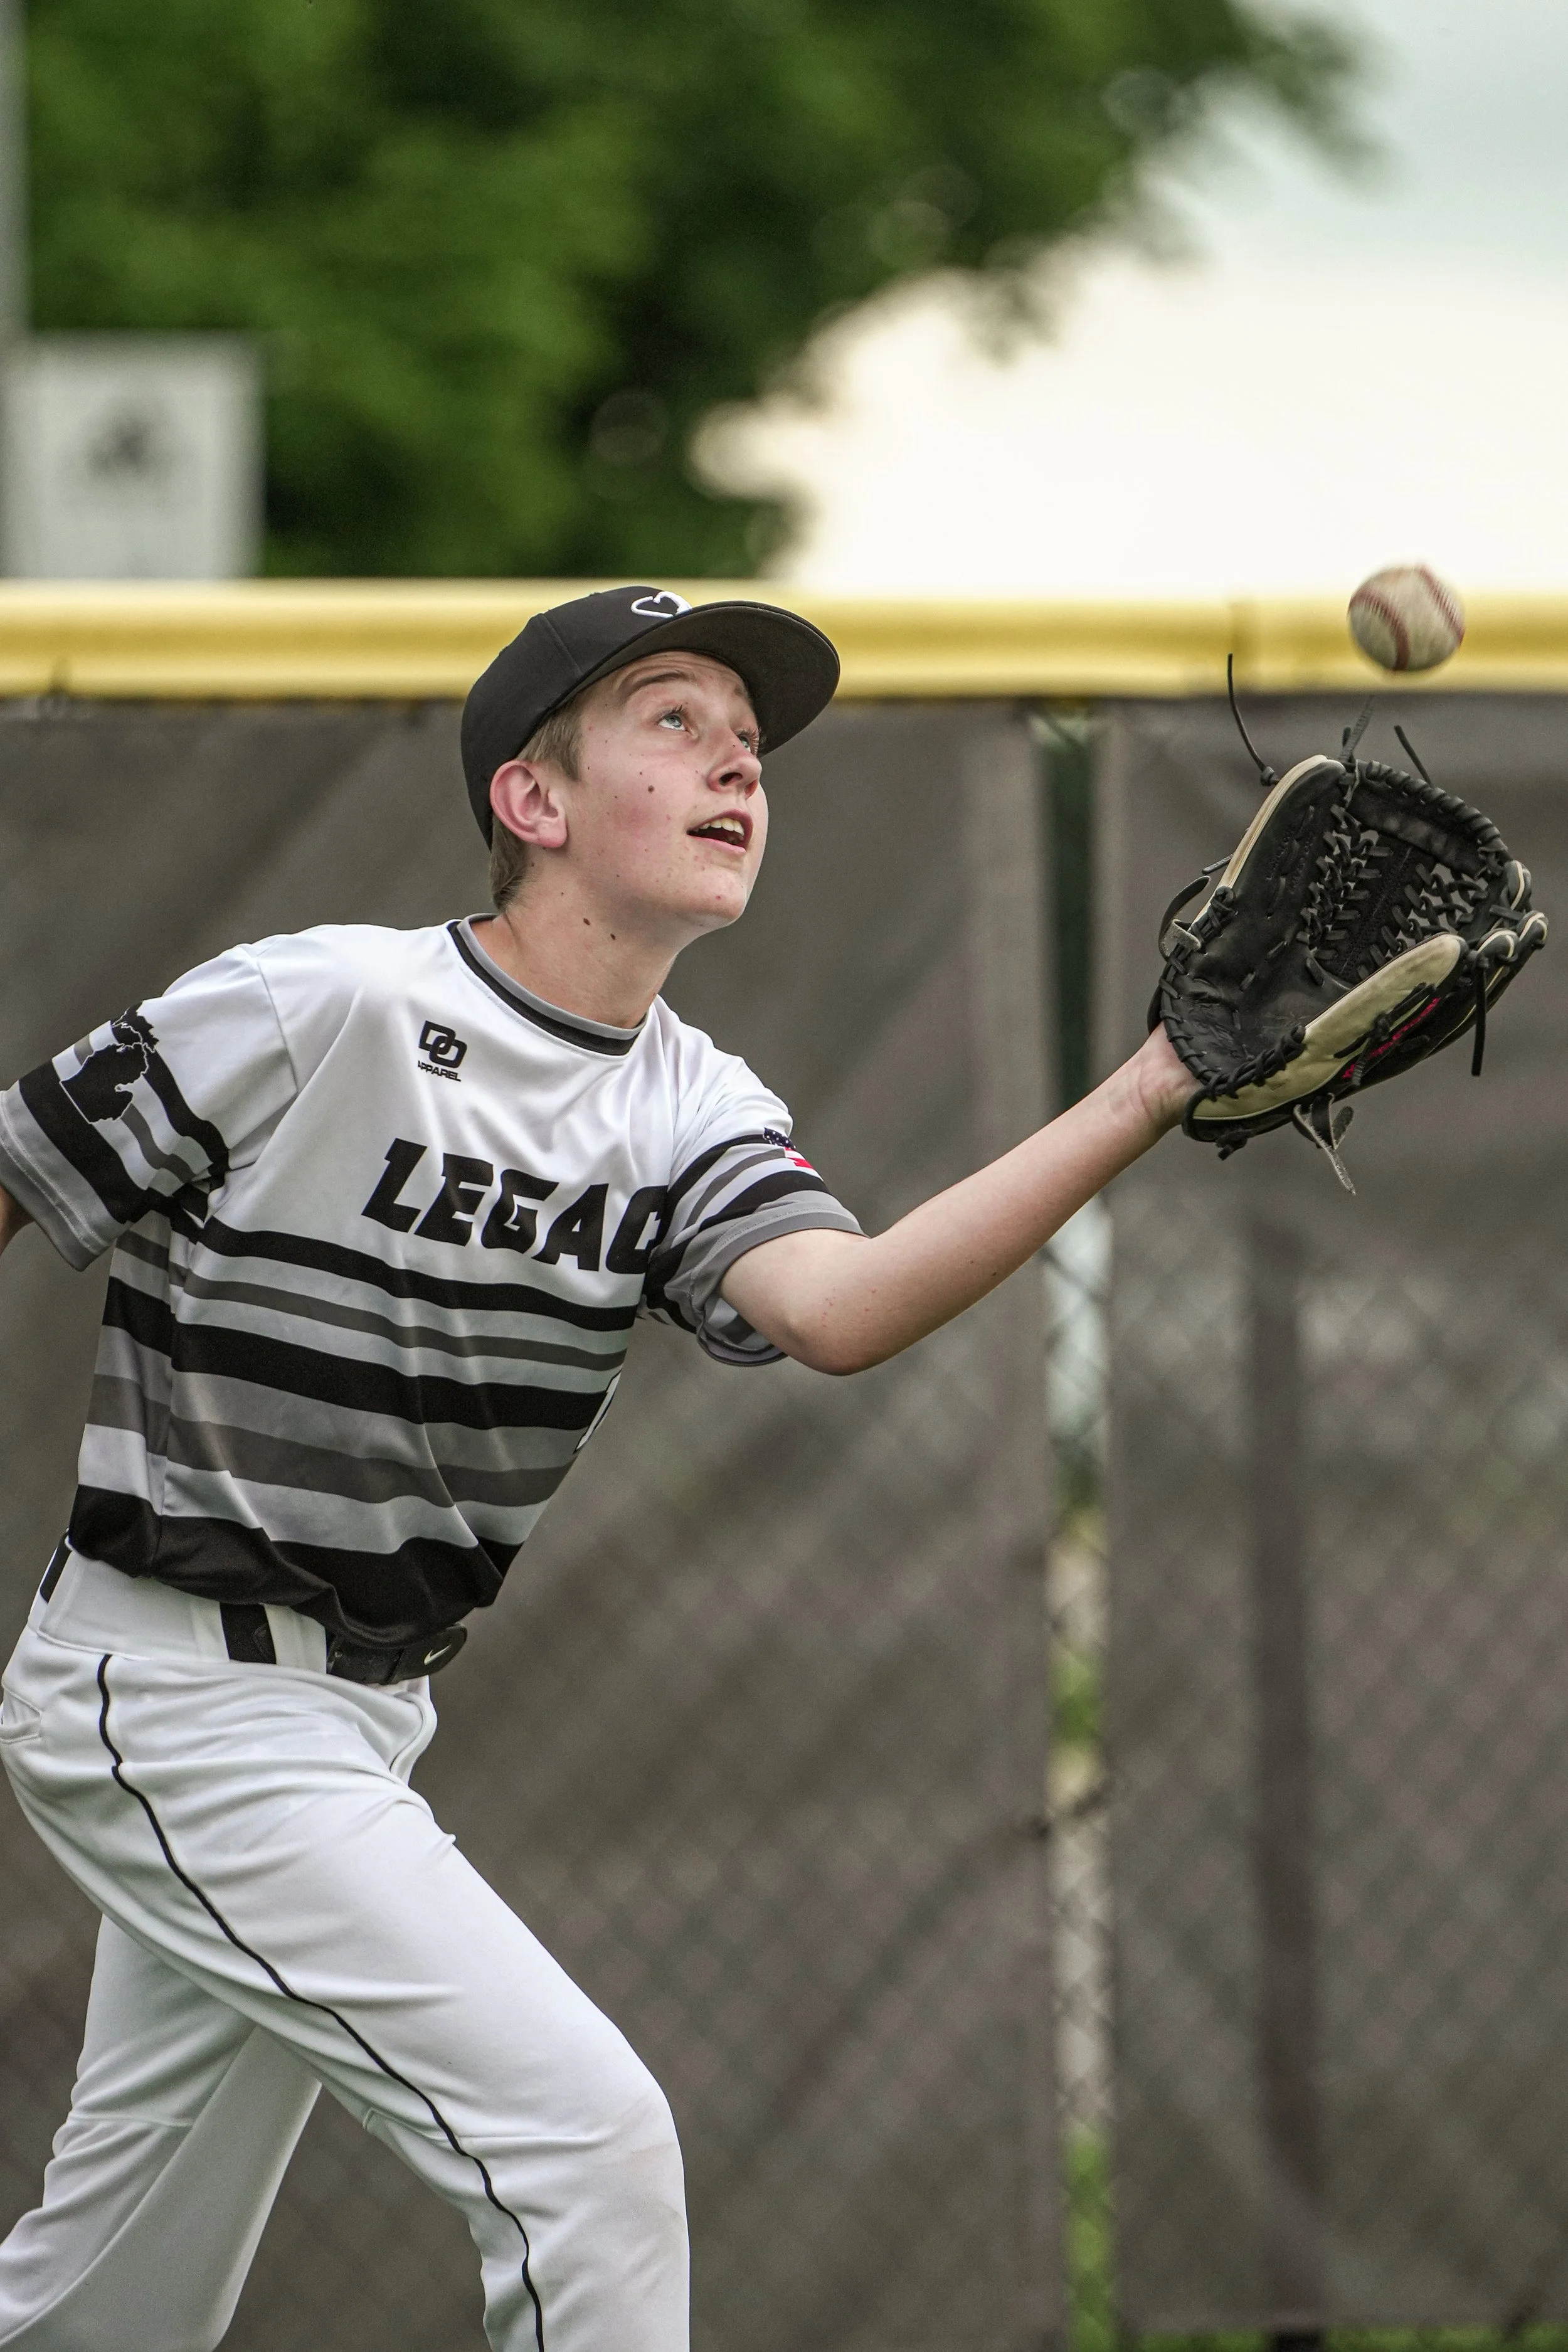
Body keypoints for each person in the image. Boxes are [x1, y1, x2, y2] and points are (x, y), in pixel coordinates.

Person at [0, 585, 1194, 2352]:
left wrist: (1150, 1083)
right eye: (670, 715)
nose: (736, 757)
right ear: (530, 802)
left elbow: (842, 1307)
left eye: (748, 734)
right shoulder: (315, 1003)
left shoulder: (689, 1104)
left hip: (353, 1726)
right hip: (171, 1689)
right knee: (587, 2143)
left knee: (113, 2308)